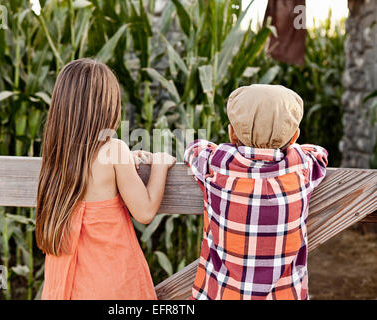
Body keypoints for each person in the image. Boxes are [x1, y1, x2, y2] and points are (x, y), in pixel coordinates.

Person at [36, 58, 176, 300]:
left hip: (68, 280)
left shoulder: (56, 154)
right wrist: (160, 165)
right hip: (109, 280)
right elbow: (144, 212)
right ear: (107, 106)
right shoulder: (114, 150)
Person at [184, 84, 328, 300]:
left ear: (231, 133)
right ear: (295, 136)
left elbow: (194, 149)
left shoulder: (216, 164)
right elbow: (319, 153)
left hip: (224, 294)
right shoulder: (302, 168)